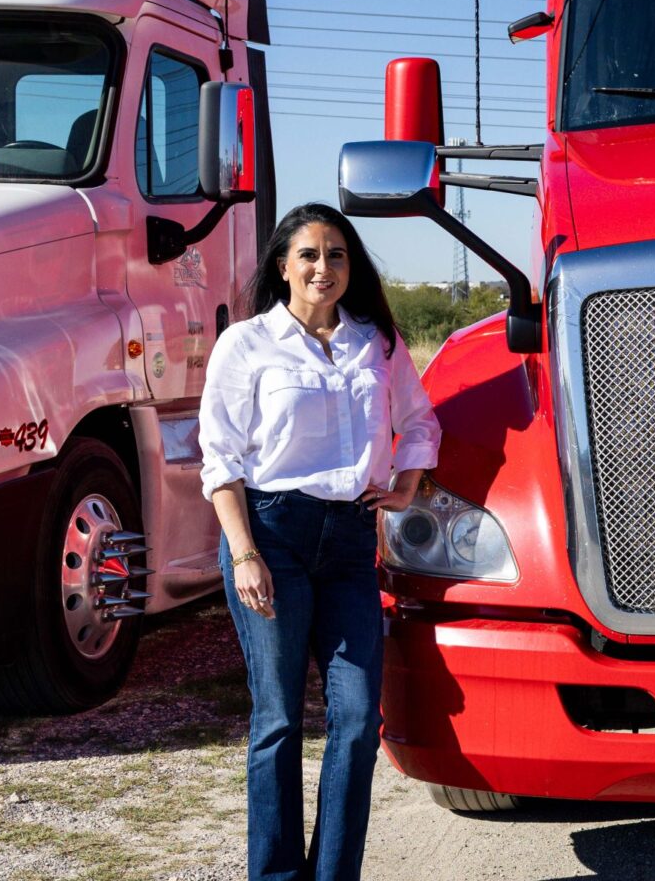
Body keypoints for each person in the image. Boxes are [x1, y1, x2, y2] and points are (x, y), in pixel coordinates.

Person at [198, 203, 440, 881]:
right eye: (308, 255)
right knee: (277, 718)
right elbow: (220, 459)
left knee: (360, 719)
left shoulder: (378, 342)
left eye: (337, 255)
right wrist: (244, 553)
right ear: (282, 265)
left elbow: (420, 422)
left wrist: (404, 486)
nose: (323, 268)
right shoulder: (245, 344)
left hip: (347, 543)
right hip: (271, 534)